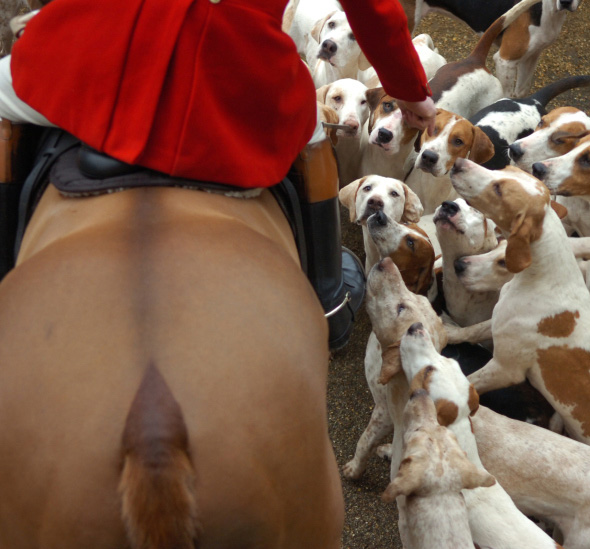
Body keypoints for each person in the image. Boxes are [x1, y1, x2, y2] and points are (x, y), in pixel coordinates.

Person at [1, 0, 435, 349]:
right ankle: (329, 301)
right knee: (315, 134)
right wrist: (410, 89)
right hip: (237, 67)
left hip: (103, 40)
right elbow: (372, 8)